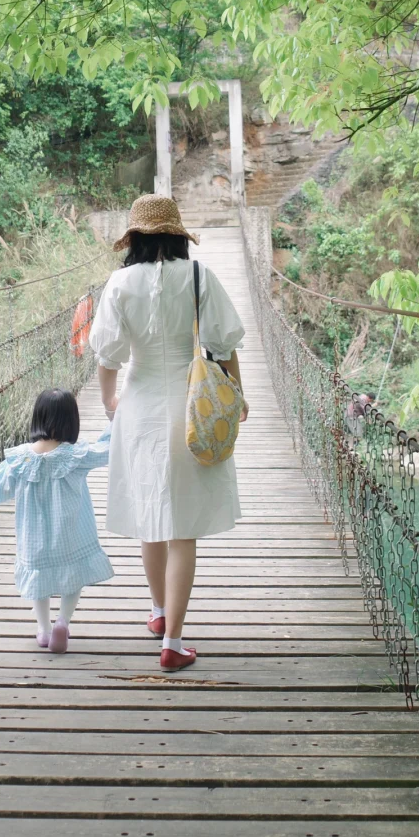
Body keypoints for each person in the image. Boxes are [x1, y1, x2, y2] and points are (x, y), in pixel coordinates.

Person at [89, 194, 247, 673]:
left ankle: (158, 615)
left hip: (138, 405)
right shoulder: (199, 277)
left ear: (133, 239)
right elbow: (223, 345)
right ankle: (173, 642)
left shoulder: (118, 284)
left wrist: (108, 402)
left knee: (149, 515)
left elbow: (107, 356)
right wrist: (236, 395)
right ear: (179, 236)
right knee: (183, 528)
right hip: (190, 407)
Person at [0, 387, 113, 653]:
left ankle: (43, 628)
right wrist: (115, 421)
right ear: (71, 421)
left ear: (37, 418)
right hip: (71, 534)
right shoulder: (76, 455)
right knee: (73, 577)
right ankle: (63, 621)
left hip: (34, 537)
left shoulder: (20, 458)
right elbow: (107, 451)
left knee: (38, 581)